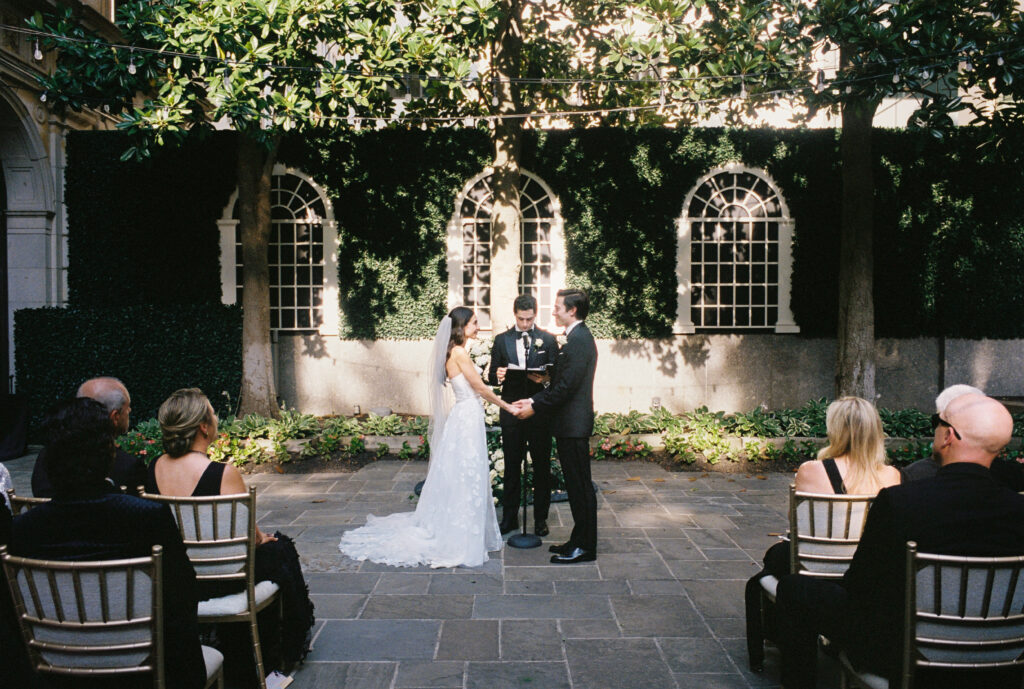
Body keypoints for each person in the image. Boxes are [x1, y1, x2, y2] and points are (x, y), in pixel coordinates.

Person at [775, 393, 1024, 689]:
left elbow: (860, 586)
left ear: (948, 435)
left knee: (793, 588)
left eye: (937, 422)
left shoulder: (901, 501)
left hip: (901, 656)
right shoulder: (1017, 510)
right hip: (1002, 661)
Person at [11, 397, 206, 689]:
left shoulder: (23, 529)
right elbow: (184, 594)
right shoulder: (146, 516)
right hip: (144, 671)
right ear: (108, 453)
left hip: (57, 672)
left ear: (49, 459)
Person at [144, 388, 315, 673]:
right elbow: (248, 536)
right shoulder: (222, 473)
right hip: (223, 580)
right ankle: (280, 649)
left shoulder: (153, 468)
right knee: (280, 548)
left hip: (176, 578)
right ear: (203, 427)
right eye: (212, 412)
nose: (216, 417)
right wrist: (263, 539)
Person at [340, 306, 515, 568]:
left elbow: (475, 384)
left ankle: (461, 526)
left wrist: (496, 377)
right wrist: (508, 407)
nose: (478, 327)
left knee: (463, 472)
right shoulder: (458, 353)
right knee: (467, 472)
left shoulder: (456, 353)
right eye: (474, 323)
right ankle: (461, 535)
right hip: (467, 417)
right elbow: (478, 388)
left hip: (465, 416)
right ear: (461, 327)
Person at [745, 396, 901, 671]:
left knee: (774, 556)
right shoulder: (891, 476)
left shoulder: (811, 470)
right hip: (861, 568)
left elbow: (798, 524)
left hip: (811, 565)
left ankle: (780, 633)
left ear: (836, 430)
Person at [513, 289, 598, 564]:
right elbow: (560, 384)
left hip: (573, 426)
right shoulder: (575, 339)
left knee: (580, 488)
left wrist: (534, 406)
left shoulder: (580, 341)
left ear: (572, 310)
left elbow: (566, 389)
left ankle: (585, 547)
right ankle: (578, 539)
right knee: (575, 487)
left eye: (558, 307)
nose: (554, 311)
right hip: (568, 425)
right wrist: (534, 395)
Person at [487, 294, 558, 536]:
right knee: (511, 466)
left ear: (535, 315)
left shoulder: (548, 340)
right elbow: (490, 377)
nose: (525, 324)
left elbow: (556, 380)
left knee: (541, 467)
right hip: (511, 411)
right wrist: (498, 374)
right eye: (521, 319)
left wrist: (545, 380)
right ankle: (509, 518)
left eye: (529, 319)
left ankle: (540, 520)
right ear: (514, 315)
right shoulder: (501, 340)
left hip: (539, 413)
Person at [32, 377, 146, 497]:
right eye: (127, 409)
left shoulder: (47, 456)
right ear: (115, 416)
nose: (130, 411)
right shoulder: (127, 465)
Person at [903, 383, 1024, 490]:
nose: (936, 429)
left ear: (949, 434)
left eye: (938, 421)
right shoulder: (1013, 475)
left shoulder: (914, 477)